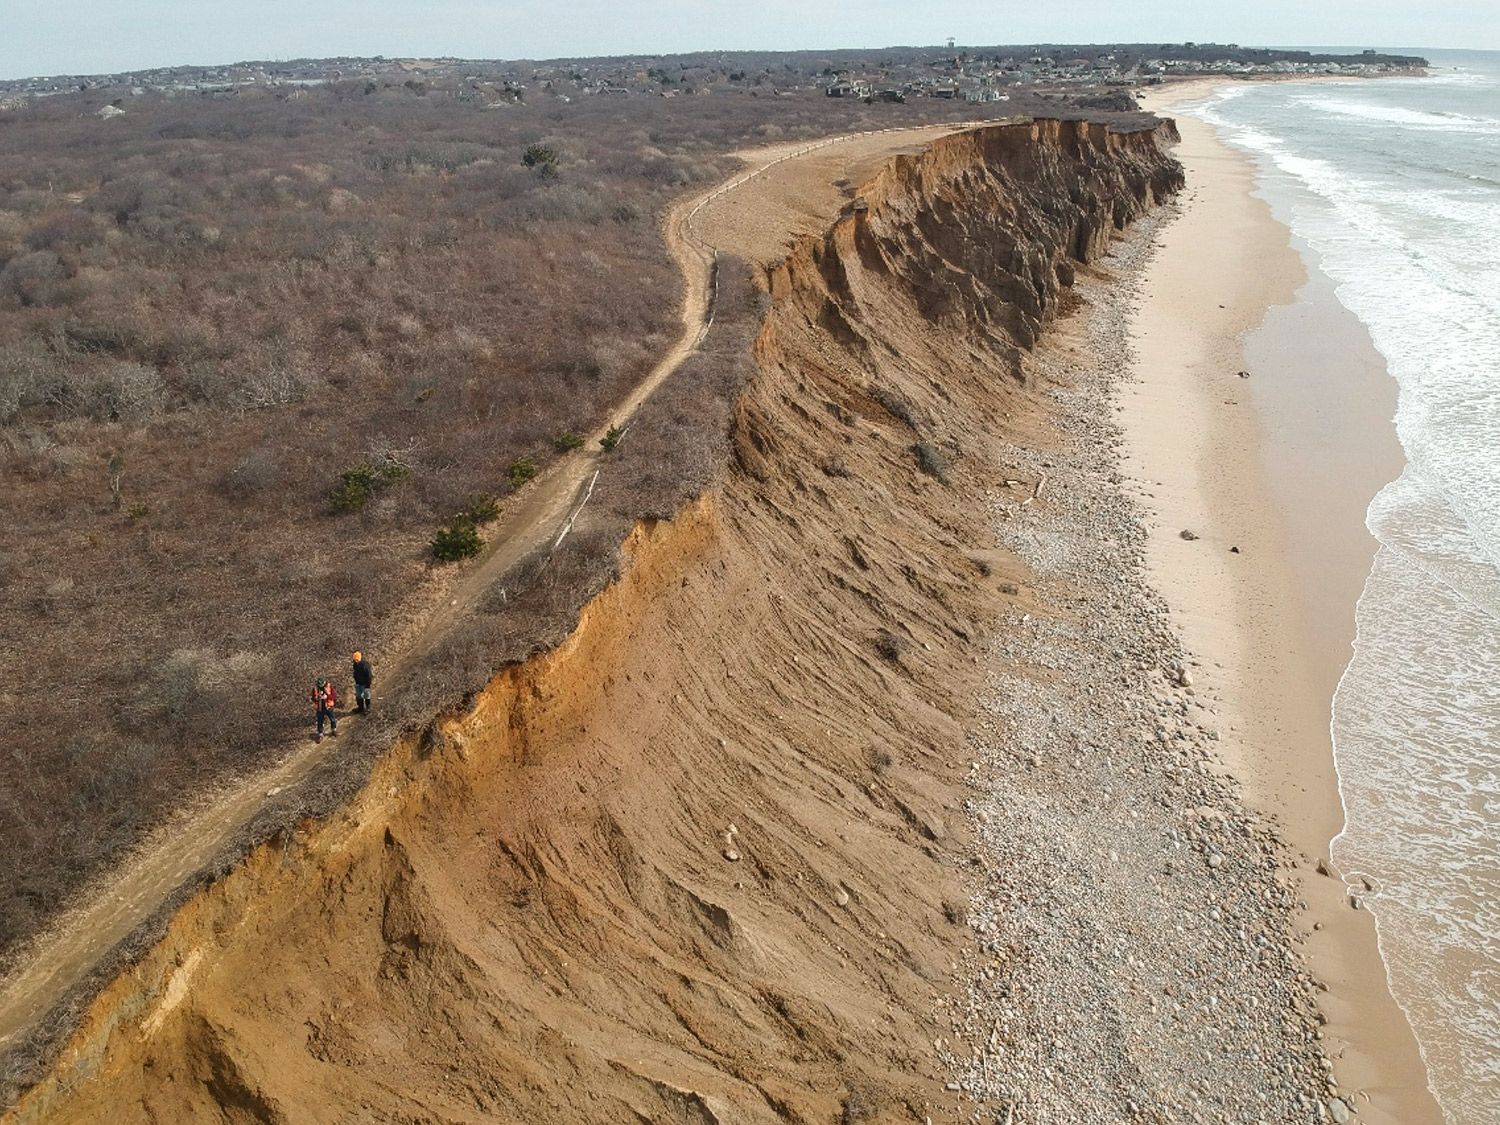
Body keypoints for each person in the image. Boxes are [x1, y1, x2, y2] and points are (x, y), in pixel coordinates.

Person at [312, 677, 338, 741]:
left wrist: (327, 697)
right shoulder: (315, 688)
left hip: (329, 707)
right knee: (320, 721)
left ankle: (333, 730)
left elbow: (334, 696)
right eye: (319, 684)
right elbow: (313, 698)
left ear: (324, 682)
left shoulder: (329, 686)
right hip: (320, 708)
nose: (320, 685)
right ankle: (320, 734)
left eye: (321, 684)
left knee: (332, 719)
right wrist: (317, 698)